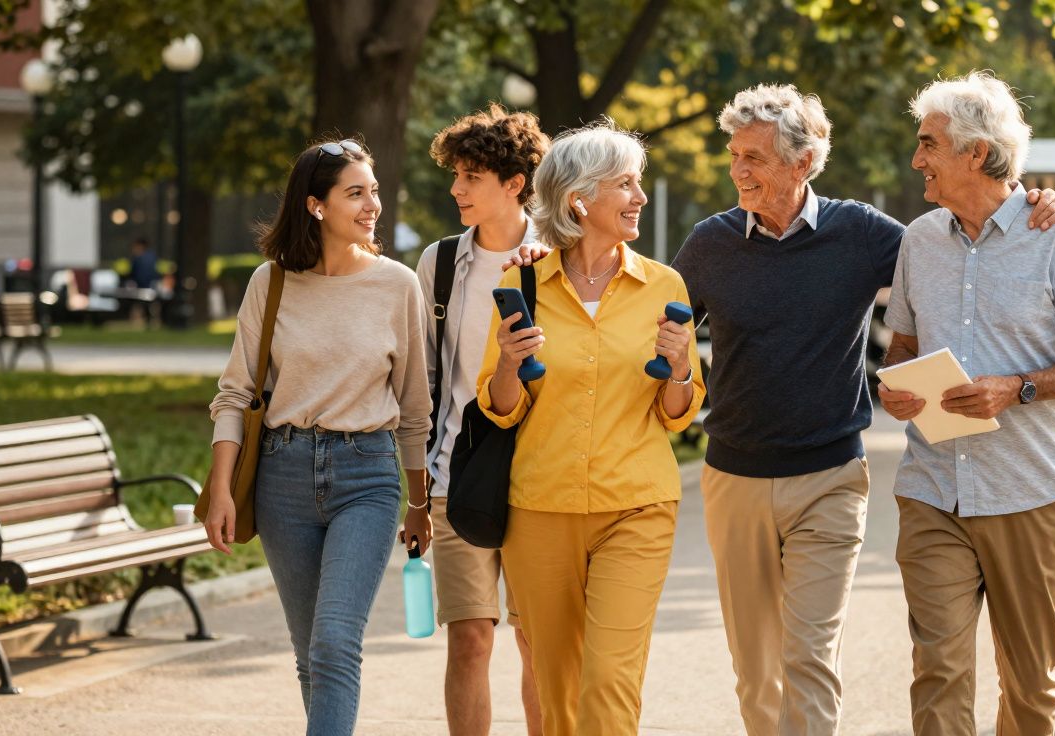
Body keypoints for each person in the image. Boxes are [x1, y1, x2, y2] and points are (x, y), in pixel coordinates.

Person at [669, 83, 1055, 736]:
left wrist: (1043, 200)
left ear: (802, 163)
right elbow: (647, 319)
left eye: (753, 157)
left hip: (831, 476)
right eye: (734, 155)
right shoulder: (709, 244)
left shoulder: (864, 235)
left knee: (809, 657)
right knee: (757, 670)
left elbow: (970, 230)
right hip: (733, 475)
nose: (736, 170)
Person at [878, 71, 1055, 736]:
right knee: (939, 672)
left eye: (929, 144)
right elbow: (901, 345)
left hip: (1028, 493)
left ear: (976, 153)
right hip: (931, 490)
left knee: (1030, 683)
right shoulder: (918, 240)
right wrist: (896, 383)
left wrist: (1015, 389)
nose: (917, 159)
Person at [476, 122, 705, 736]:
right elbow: (501, 408)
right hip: (540, 508)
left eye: (639, 182)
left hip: (637, 505)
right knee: (559, 692)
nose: (641, 197)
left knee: (609, 682)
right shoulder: (521, 283)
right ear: (578, 197)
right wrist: (507, 361)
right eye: (626, 184)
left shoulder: (664, 285)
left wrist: (680, 367)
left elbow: (679, 412)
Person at [204, 137, 432, 736]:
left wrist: (419, 499)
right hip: (282, 476)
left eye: (374, 191)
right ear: (315, 206)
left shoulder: (397, 285)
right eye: (355, 193)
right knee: (310, 655)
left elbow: (414, 405)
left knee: (334, 642)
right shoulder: (270, 283)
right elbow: (234, 394)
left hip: (368, 475)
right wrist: (223, 490)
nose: (371, 205)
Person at [415, 104, 548, 736]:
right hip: (455, 473)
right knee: (469, 639)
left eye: (470, 176)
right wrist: (416, 493)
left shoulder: (556, 259)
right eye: (456, 175)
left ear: (514, 184)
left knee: (534, 643)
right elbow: (424, 385)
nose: (455, 189)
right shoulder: (439, 265)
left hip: (538, 479)